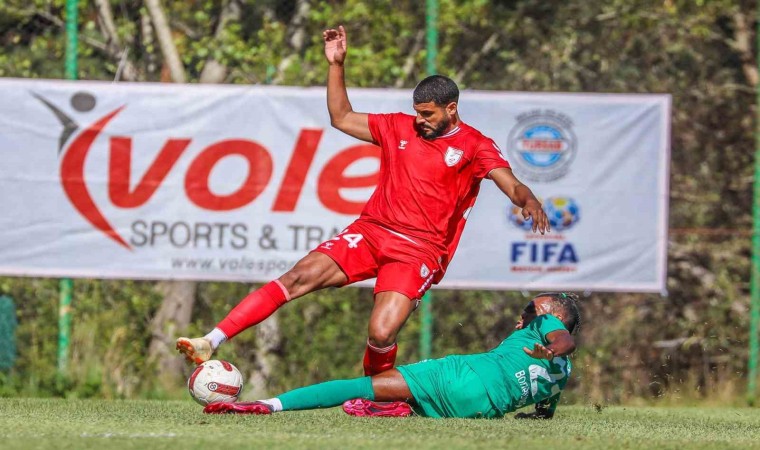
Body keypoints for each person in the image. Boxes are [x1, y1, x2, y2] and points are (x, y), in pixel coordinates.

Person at [176, 25, 549, 376]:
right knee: (297, 277)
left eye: (428, 114)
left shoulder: (475, 145)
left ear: (451, 109)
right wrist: (336, 66)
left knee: (382, 332)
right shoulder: (397, 126)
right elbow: (341, 117)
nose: (419, 120)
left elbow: (511, 183)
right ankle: (211, 340)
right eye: (417, 113)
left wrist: (527, 199)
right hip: (371, 232)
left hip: (419, 249)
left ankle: (379, 398)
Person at [204, 293, 579, 419]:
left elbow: (564, 341)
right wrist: (539, 413)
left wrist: (553, 344)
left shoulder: (548, 327)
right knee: (400, 396)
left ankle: (268, 406)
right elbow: (545, 407)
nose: (524, 316)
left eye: (531, 310)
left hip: (463, 377)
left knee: (362, 385)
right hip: (478, 410)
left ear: (553, 319)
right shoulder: (563, 373)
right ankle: (400, 406)